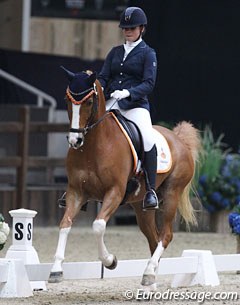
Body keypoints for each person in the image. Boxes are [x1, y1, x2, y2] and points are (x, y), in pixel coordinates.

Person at [98, 6, 158, 210]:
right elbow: (103, 77)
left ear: (142, 28)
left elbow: (149, 83)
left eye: (132, 28)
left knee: (148, 138)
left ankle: (150, 191)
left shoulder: (148, 53)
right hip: (112, 101)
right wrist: (101, 89)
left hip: (135, 105)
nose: (128, 31)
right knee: (87, 128)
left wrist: (129, 93)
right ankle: (82, 179)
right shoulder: (115, 52)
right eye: (125, 28)